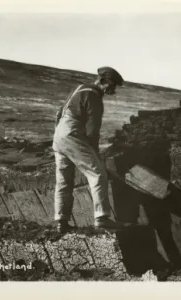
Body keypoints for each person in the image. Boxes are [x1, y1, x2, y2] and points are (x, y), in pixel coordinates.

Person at [52, 66, 127, 233]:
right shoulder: (94, 97)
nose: (112, 89)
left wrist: (61, 136)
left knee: (64, 180)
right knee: (98, 173)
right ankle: (101, 218)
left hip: (59, 135)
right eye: (111, 85)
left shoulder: (79, 88)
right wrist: (96, 156)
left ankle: (60, 222)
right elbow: (92, 132)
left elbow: (59, 113)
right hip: (72, 133)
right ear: (101, 81)